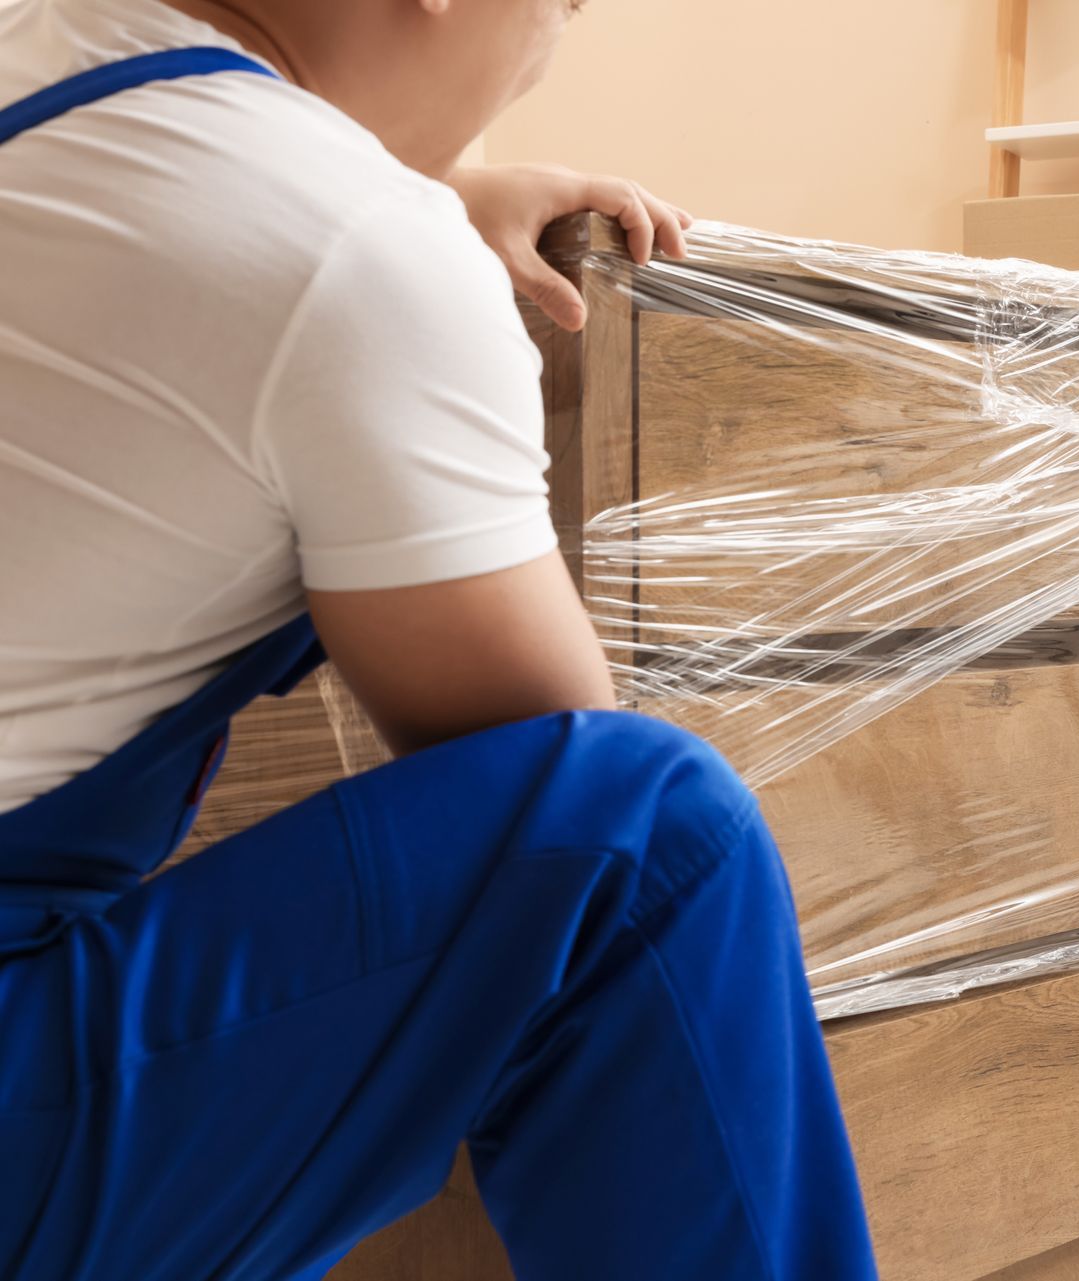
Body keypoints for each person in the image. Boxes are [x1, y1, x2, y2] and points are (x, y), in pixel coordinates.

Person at [0, 0, 877, 1276]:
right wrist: (407, 241)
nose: (544, 53)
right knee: (644, 842)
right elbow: (556, 807)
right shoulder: (352, 250)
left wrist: (425, 189)